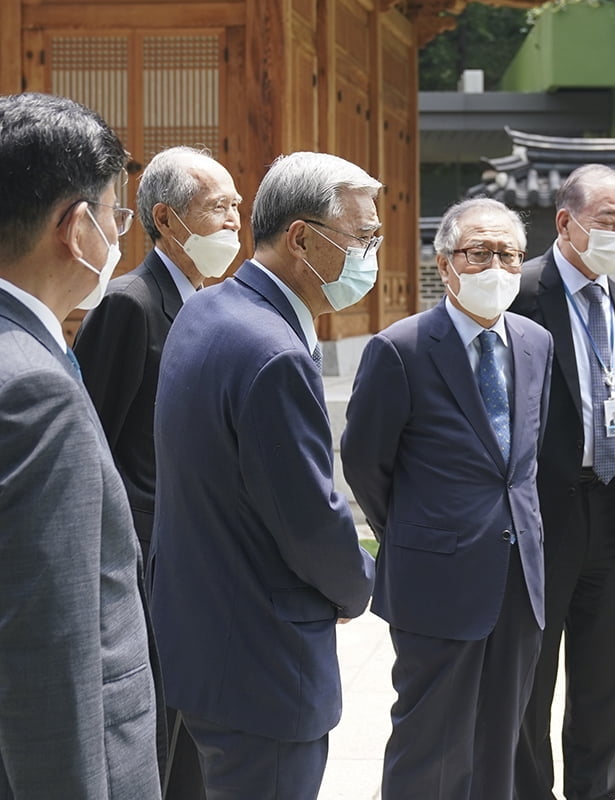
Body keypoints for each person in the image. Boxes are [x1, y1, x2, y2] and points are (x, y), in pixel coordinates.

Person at [148, 151, 378, 800]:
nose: (372, 253)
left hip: (200, 641)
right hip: (264, 664)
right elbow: (310, 522)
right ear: (302, 237)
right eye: (363, 237)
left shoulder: (207, 309)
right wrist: (358, 583)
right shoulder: (274, 352)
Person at [341, 197, 553, 799]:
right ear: (445, 264)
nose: (496, 266)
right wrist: (418, 532)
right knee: (429, 746)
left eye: (509, 254)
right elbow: (365, 463)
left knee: (501, 743)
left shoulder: (536, 343)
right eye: (478, 252)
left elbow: (524, 462)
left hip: (519, 578)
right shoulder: (400, 348)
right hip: (435, 578)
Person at [0, 91, 161, 798]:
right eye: (117, 214)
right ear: (76, 228)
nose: (119, 236)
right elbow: (52, 653)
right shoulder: (36, 389)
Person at [74, 146, 242, 799]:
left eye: (236, 209)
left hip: (206, 566)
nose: (233, 224)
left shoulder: (214, 305)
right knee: (156, 747)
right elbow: (95, 442)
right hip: (147, 571)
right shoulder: (130, 306)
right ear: (167, 220)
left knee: (200, 739)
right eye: (218, 209)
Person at [510, 163, 615, 800]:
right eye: (608, 222)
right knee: (529, 684)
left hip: (614, 509)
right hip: (541, 517)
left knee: (601, 680)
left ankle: (597, 791)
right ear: (566, 223)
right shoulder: (520, 290)